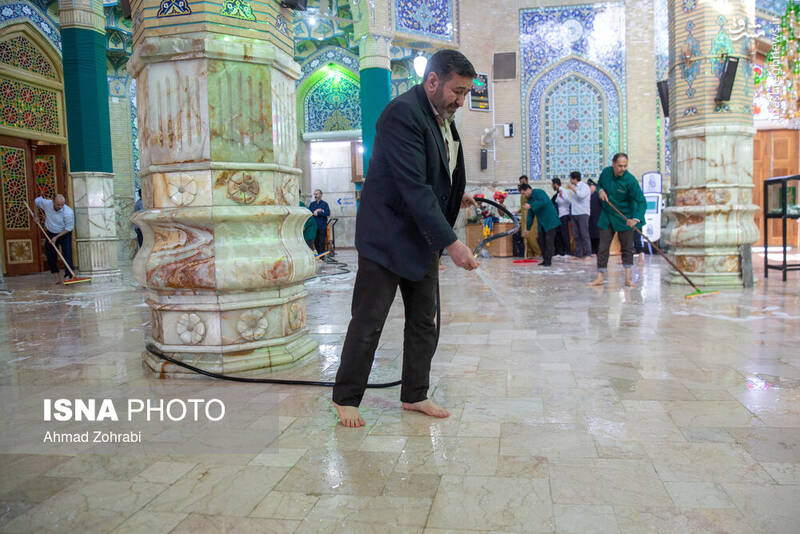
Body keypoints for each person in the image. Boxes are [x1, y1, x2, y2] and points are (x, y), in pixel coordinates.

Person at [332, 49, 479, 427]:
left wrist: (454, 195)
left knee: (423, 322)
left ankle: (415, 394)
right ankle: (346, 398)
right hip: (387, 238)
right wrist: (452, 242)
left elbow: (435, 171)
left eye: (465, 94)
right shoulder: (402, 114)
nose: (461, 101)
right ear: (432, 81)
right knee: (370, 321)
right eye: (457, 91)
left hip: (421, 238)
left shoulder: (440, 116)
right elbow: (413, 186)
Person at [587, 153, 646, 288]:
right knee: (603, 247)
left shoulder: (630, 181)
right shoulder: (606, 172)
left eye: (625, 166)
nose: (623, 169)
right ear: (613, 164)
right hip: (607, 215)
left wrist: (635, 219)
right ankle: (600, 277)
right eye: (620, 166)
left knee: (627, 248)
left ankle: (627, 279)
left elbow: (641, 201)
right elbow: (600, 184)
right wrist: (600, 191)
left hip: (625, 217)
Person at [34, 194, 75, 284]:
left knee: (67, 254)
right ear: (53, 202)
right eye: (58, 205)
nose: (60, 207)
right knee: (50, 255)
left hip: (64, 233)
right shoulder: (47, 203)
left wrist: (56, 237)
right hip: (50, 232)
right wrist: (36, 215)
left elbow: (68, 228)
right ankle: (56, 277)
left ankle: (68, 276)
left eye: (62, 205)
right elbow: (36, 201)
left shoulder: (68, 212)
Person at [519, 184, 560, 266]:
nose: (523, 196)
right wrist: (527, 228)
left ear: (528, 190)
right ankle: (545, 260)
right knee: (540, 240)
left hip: (550, 221)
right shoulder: (529, 200)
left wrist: (531, 206)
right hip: (541, 222)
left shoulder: (539, 192)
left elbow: (543, 202)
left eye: (523, 193)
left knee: (549, 241)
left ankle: (548, 262)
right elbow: (530, 215)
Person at [565, 171, 591, 258]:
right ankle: (578, 254)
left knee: (584, 234)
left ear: (574, 179)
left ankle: (588, 253)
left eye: (571, 178)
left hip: (583, 212)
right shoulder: (574, 187)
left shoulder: (584, 186)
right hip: (575, 213)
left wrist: (573, 189)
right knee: (576, 234)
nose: (570, 180)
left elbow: (581, 196)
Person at [551, 178, 571, 256]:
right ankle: (560, 252)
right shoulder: (557, 193)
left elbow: (568, 201)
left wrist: (562, 196)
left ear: (555, 184)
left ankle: (567, 252)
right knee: (559, 234)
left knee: (565, 234)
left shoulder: (563, 191)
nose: (552, 186)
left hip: (564, 215)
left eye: (552, 184)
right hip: (558, 216)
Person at [308, 189, 330, 255]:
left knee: (322, 241)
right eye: (315, 194)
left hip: (322, 226)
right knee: (316, 242)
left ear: (321, 195)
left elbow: (327, 213)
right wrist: (315, 211)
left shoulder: (325, 204)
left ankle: (322, 255)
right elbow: (309, 213)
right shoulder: (312, 204)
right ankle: (318, 255)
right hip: (314, 226)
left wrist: (318, 212)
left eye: (317, 194)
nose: (315, 195)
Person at [587, 179, 601, 254]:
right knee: (590, 234)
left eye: (591, 186)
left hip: (598, 218)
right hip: (589, 218)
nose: (589, 188)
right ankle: (592, 250)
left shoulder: (598, 195)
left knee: (597, 234)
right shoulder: (587, 196)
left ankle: (597, 250)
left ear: (595, 187)